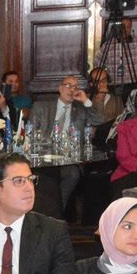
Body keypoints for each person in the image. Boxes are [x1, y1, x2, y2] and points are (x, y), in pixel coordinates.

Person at [31, 76, 101, 214]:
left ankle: (56, 213)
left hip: (69, 158)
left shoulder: (81, 109)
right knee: (42, 176)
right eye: (68, 86)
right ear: (60, 88)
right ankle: (42, 213)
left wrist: (86, 101)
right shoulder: (41, 106)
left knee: (73, 174)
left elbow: (99, 121)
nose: (72, 90)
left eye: (75, 87)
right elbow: (32, 132)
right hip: (44, 156)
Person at [106, 17, 137, 91]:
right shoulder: (108, 46)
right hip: (114, 87)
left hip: (134, 87)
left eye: (127, 27)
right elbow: (98, 65)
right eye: (122, 27)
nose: (125, 30)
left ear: (131, 27)